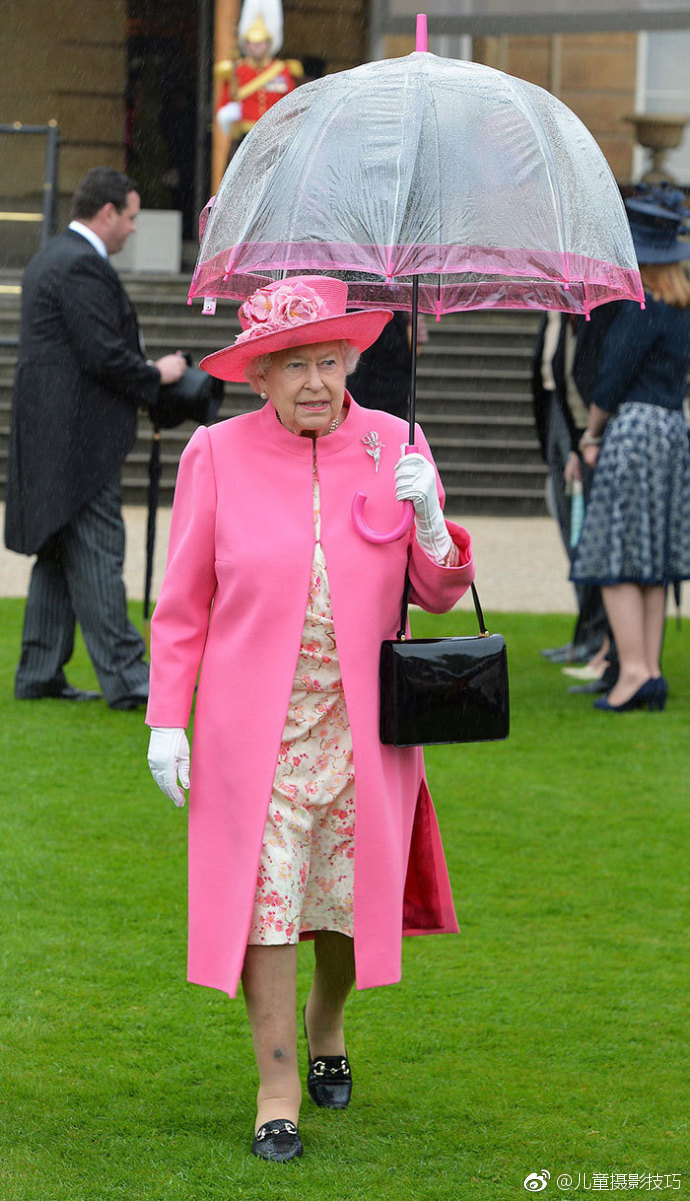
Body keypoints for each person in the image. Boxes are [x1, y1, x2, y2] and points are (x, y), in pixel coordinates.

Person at [145, 275, 474, 1161]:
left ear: (353, 359)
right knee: (267, 906)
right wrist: (166, 718)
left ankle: (328, 1017)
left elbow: (436, 594)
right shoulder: (214, 454)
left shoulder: (397, 442)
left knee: (343, 907)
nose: (317, 382)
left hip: (363, 734)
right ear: (260, 376)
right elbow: (183, 606)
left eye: (330, 361)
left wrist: (435, 523)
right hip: (254, 740)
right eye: (296, 366)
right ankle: (278, 1082)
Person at [4, 167, 187, 708]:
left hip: (53, 437)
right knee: (100, 553)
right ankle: (131, 679)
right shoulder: (81, 264)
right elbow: (102, 354)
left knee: (59, 555)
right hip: (78, 443)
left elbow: (85, 352)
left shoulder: (54, 258)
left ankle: (39, 673)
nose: (133, 228)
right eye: (130, 217)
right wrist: (158, 376)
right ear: (106, 212)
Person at [571, 185, 690, 713]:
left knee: (618, 552)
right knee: (653, 555)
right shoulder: (684, 307)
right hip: (672, 430)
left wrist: (592, 434)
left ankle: (635, 671)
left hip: (635, 429)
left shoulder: (642, 307)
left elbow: (611, 379)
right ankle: (651, 669)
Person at [531, 310, 610, 674]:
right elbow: (549, 374)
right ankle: (587, 634)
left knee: (586, 537)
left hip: (577, 426)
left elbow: (584, 374)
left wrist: (580, 444)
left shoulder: (583, 315)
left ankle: (596, 638)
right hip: (556, 419)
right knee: (571, 531)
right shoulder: (553, 314)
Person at [215, 0, 303, 145]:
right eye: (252, 42)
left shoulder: (282, 70)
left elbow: (292, 104)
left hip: (274, 137)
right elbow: (224, 104)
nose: (256, 47)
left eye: (261, 42)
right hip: (244, 138)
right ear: (246, 43)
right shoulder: (236, 71)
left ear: (269, 43)